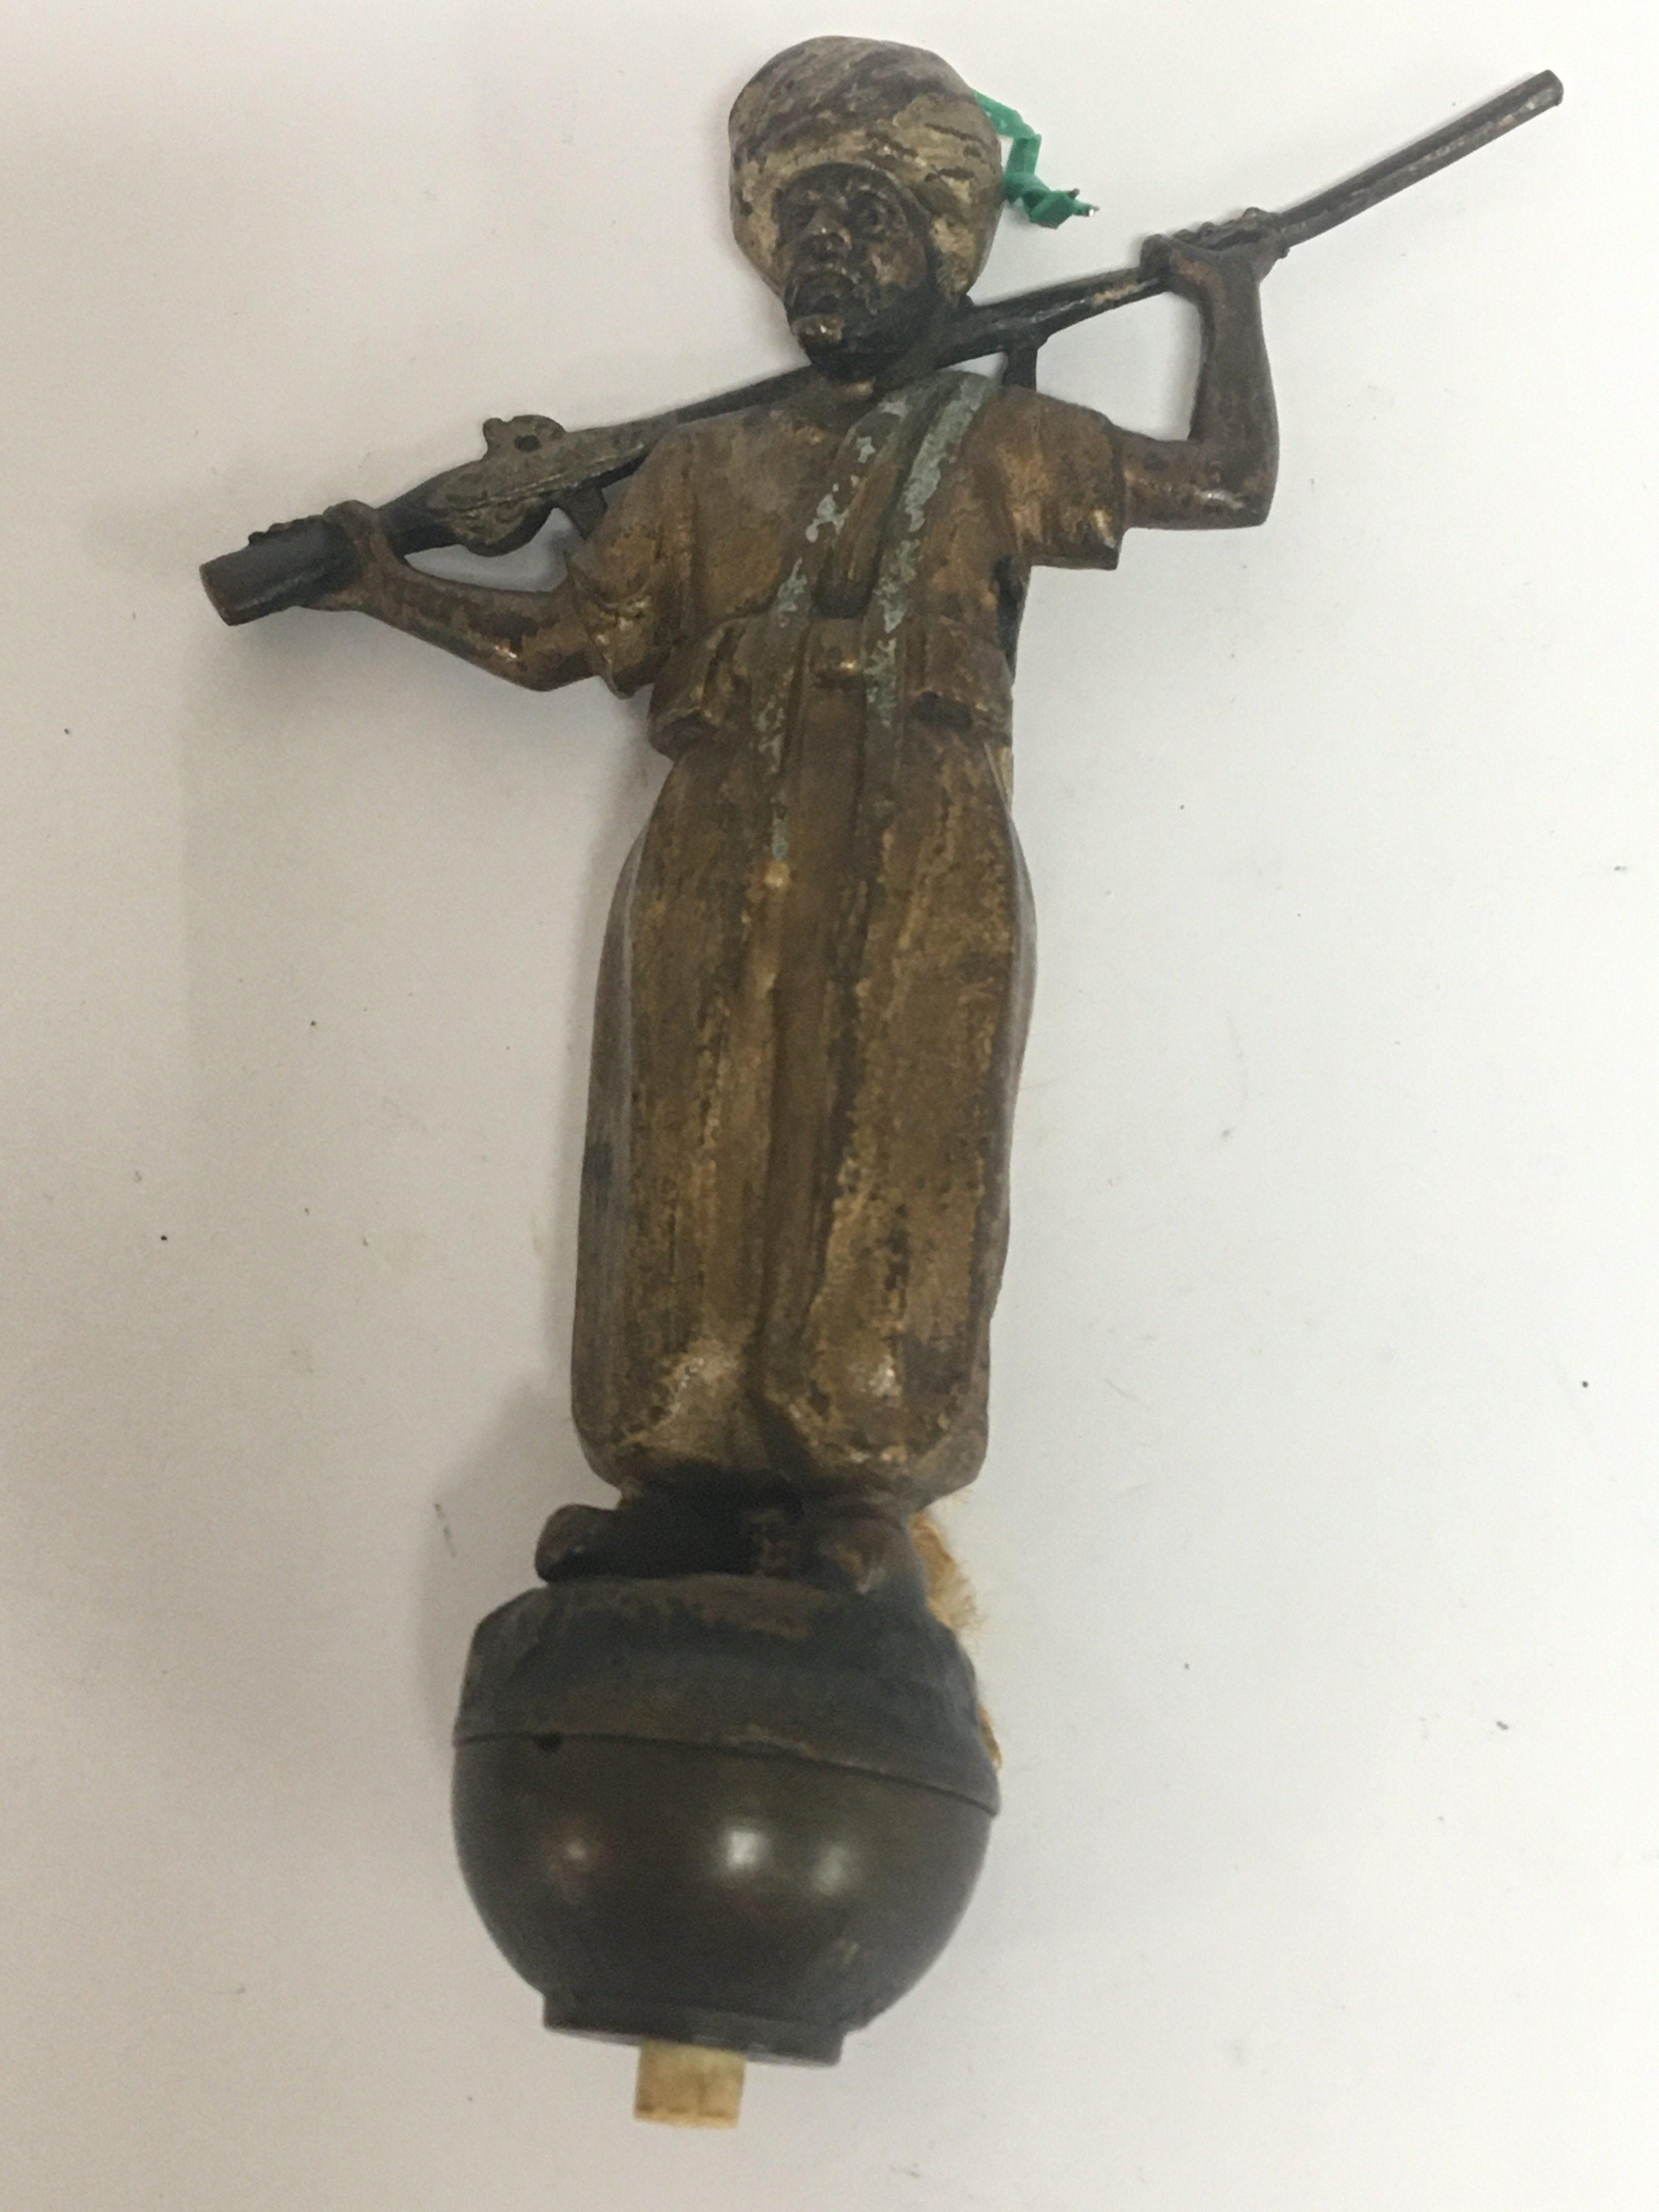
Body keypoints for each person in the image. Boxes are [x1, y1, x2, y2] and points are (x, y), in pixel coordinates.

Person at [308, 37, 1280, 1594]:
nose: (826, 248)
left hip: (921, 819)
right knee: (692, 1113)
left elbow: (1227, 483)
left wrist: (1230, 296)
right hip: (721, 817)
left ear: (946, 254)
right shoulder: (702, 470)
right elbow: (562, 642)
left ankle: (860, 1484)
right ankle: (677, 1473)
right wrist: (385, 586)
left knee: (895, 1115)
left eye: (866, 219)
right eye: (804, 222)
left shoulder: (996, 439)